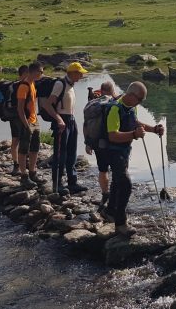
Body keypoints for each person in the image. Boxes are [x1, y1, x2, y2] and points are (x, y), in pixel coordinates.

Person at [101, 81, 164, 237]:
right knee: (126, 185)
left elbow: (135, 122)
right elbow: (112, 135)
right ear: (130, 95)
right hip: (113, 152)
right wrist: (134, 135)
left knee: (117, 182)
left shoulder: (130, 107)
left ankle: (109, 212)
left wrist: (154, 129)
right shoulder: (115, 109)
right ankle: (120, 224)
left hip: (124, 151)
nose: (141, 103)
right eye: (140, 99)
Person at [42, 62, 90, 196]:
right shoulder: (60, 84)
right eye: (80, 73)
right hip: (62, 121)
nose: (81, 76)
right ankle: (57, 184)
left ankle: (72, 182)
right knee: (60, 154)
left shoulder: (71, 86)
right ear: (72, 73)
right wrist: (58, 119)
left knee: (72, 152)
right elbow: (47, 105)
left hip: (71, 120)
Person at [87, 81, 119, 211]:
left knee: (103, 169)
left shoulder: (93, 104)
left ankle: (105, 194)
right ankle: (116, 197)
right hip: (114, 142)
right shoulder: (116, 103)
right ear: (112, 90)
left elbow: (86, 125)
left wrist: (88, 143)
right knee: (117, 170)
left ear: (100, 90)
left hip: (98, 143)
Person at [11, 62, 44, 186]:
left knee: (35, 148)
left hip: (34, 121)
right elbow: (20, 108)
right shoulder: (23, 86)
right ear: (34, 72)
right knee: (24, 149)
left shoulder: (32, 83)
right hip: (27, 123)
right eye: (40, 72)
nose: (42, 74)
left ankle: (32, 173)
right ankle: (23, 176)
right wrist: (26, 124)